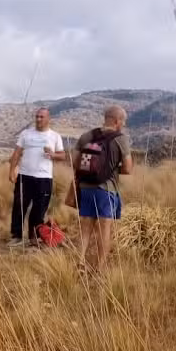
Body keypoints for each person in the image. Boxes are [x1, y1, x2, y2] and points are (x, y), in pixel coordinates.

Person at [71, 105, 133, 272]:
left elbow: (75, 162)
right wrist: (111, 168)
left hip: (86, 188)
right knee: (104, 230)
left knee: (85, 229)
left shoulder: (87, 136)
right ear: (116, 120)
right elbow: (128, 168)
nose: (124, 125)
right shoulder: (120, 139)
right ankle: (100, 268)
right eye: (123, 121)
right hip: (106, 189)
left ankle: (80, 263)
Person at [7, 108, 66, 247]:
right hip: (24, 176)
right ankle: (16, 236)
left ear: (48, 118)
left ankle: (34, 237)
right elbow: (17, 153)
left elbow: (62, 155)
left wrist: (53, 154)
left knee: (39, 208)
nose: (38, 119)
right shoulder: (26, 134)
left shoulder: (55, 136)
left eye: (42, 117)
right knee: (19, 205)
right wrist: (11, 171)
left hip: (44, 178)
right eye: (37, 116)